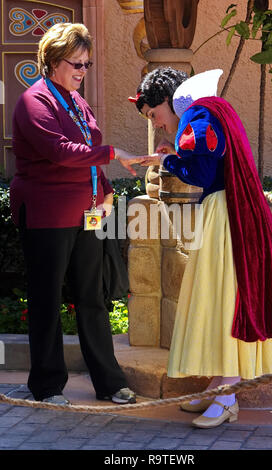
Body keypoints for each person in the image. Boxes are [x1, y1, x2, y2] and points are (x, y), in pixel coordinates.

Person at [129, 67, 272, 428]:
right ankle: (221, 385)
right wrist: (171, 156)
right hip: (232, 211)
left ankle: (228, 396)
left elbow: (201, 173)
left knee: (224, 302)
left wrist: (168, 161)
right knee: (221, 299)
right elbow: (208, 162)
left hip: (227, 214)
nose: (156, 124)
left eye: (154, 115)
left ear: (169, 103)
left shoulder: (198, 117)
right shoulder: (210, 113)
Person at [10, 23, 139, 405]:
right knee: (46, 300)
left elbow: (88, 156)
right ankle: (48, 387)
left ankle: (110, 383)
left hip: (88, 212)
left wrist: (108, 190)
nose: (83, 70)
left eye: (88, 64)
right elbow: (62, 151)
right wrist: (115, 154)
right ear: (52, 61)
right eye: (76, 63)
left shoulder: (77, 101)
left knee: (92, 298)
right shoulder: (35, 101)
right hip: (47, 213)